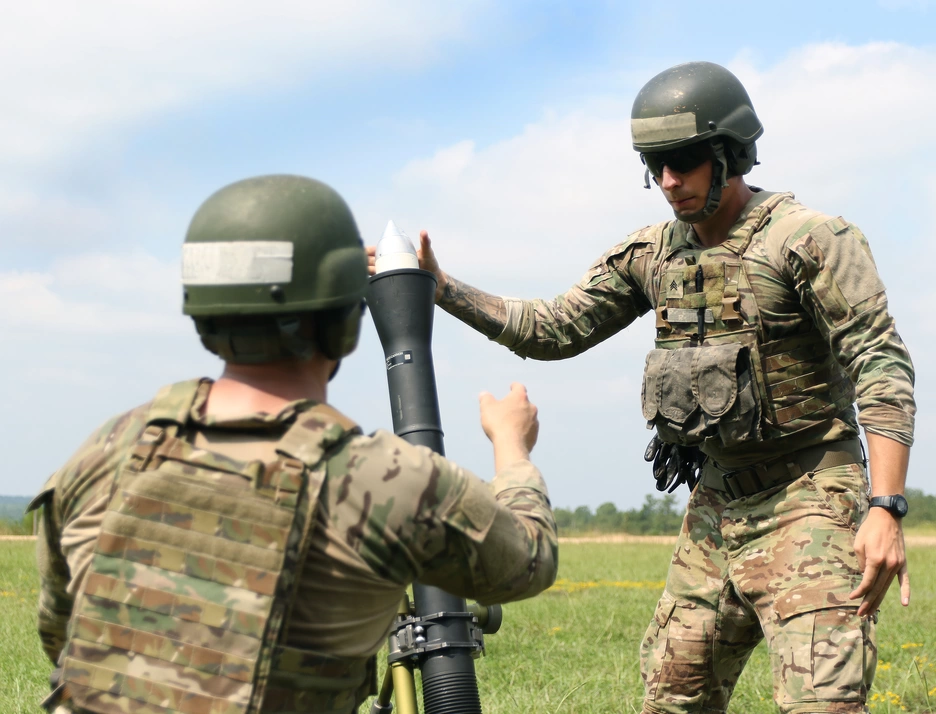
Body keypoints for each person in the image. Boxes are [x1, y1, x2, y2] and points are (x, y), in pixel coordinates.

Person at [368, 62, 916, 713]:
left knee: (823, 702)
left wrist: (885, 506)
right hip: (716, 506)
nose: (668, 182)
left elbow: (879, 365)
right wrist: (443, 285)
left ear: (729, 152)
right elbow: (553, 327)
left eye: (683, 162)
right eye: (655, 165)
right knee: (672, 695)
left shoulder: (810, 241)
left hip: (810, 499)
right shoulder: (651, 255)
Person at [30, 175, 558, 714]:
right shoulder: (384, 480)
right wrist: (512, 446)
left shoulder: (108, 450)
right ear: (347, 321)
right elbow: (529, 561)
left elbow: (62, 631)